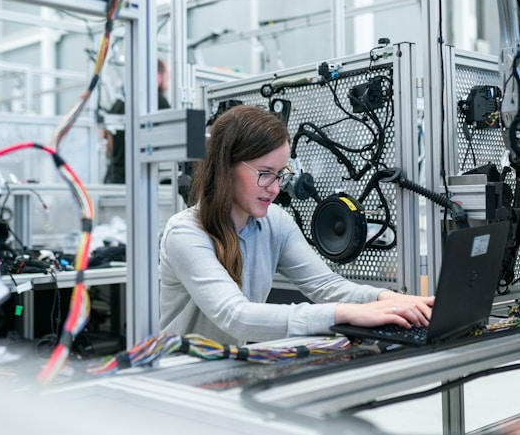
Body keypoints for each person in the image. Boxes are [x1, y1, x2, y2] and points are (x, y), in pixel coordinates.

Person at [159, 104, 434, 345]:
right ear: (225, 167)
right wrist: (346, 313)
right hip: (182, 379)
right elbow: (236, 316)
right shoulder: (186, 232)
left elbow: (327, 286)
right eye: (265, 174)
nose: (276, 188)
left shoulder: (275, 222)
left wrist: (388, 299)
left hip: (229, 369)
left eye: (281, 174)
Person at [104, 58, 170, 183]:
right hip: (143, 177)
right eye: (167, 77)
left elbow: (106, 138)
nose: (167, 82)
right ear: (157, 76)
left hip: (116, 177)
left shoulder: (120, 103)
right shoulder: (159, 101)